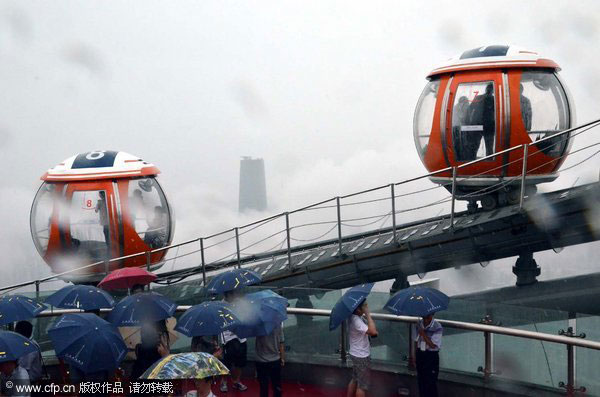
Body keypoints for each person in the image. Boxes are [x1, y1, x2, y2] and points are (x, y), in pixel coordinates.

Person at [347, 300, 377, 397]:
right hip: (361, 356)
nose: (366, 307)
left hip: (355, 353)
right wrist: (368, 314)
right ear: (358, 309)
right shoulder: (357, 321)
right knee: (362, 386)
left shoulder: (353, 317)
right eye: (364, 306)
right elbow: (373, 332)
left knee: (355, 379)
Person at [220, 291, 248, 392]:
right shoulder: (221, 306)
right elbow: (221, 322)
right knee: (227, 363)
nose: (234, 295)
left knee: (240, 362)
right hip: (228, 338)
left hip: (241, 336)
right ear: (227, 294)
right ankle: (224, 381)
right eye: (232, 294)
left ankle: (236, 381)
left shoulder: (238, 303)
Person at [413, 313, 443, 397]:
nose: (426, 318)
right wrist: (415, 355)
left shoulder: (437, 327)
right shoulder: (419, 324)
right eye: (424, 316)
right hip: (421, 354)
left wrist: (422, 333)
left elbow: (433, 345)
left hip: (431, 356)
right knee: (421, 381)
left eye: (428, 316)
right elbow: (416, 340)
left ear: (432, 315)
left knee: (431, 383)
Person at [255, 324, 285, 397]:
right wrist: (282, 358)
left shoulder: (258, 325)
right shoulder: (278, 325)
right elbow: (281, 344)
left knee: (263, 386)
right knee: (276, 385)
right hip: (275, 359)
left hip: (261, 360)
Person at [467, 83, 495, 158]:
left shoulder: (478, 97)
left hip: (477, 125)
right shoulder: (494, 99)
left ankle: (471, 162)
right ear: (493, 90)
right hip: (489, 126)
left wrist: (470, 122)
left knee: (475, 146)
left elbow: (470, 109)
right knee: (489, 147)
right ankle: (490, 164)